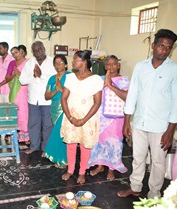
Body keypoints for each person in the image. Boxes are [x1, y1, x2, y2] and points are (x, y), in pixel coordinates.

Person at [117, 29, 177, 198]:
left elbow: (176, 101)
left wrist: (170, 131)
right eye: (161, 46)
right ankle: (135, 188)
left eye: (168, 48)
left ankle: (154, 194)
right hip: (139, 122)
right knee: (138, 157)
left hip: (161, 126)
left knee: (158, 162)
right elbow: (133, 93)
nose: (164, 50)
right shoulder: (140, 66)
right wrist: (126, 121)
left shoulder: (174, 69)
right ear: (153, 45)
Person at [60, 50, 103, 184]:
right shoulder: (70, 77)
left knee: (85, 146)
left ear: (84, 62)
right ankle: (70, 170)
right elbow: (64, 98)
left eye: (75, 59)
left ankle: (82, 172)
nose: (72, 62)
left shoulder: (95, 79)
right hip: (71, 117)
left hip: (88, 119)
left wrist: (84, 119)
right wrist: (70, 117)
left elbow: (97, 102)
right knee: (71, 144)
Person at [87, 55, 130, 181]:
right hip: (100, 116)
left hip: (116, 119)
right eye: (108, 64)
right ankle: (100, 165)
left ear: (118, 65)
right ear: (104, 66)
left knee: (114, 143)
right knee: (99, 141)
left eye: (113, 64)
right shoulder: (99, 79)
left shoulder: (124, 80)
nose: (110, 67)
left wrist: (110, 85)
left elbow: (127, 97)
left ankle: (111, 169)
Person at [19, 41, 55, 156]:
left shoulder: (52, 62)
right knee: (33, 124)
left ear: (44, 49)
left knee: (47, 125)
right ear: (32, 52)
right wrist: (33, 76)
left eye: (39, 49)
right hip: (33, 99)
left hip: (47, 100)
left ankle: (46, 148)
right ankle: (34, 146)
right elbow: (22, 80)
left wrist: (41, 75)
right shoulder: (29, 63)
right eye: (35, 50)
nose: (38, 52)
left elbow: (55, 79)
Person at [44, 54, 71, 168]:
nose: (58, 65)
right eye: (56, 63)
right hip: (54, 108)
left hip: (66, 108)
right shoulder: (51, 78)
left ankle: (63, 160)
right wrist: (57, 90)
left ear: (65, 64)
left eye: (61, 62)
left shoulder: (71, 76)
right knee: (58, 133)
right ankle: (59, 157)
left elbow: (75, 92)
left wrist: (63, 89)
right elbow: (46, 96)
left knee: (62, 133)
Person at [5, 45, 29, 143]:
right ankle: (14, 135)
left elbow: (31, 77)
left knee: (24, 114)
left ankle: (25, 136)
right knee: (15, 113)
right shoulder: (12, 63)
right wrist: (15, 75)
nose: (15, 55)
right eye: (13, 53)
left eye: (16, 52)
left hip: (24, 90)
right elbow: (7, 78)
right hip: (14, 92)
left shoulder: (28, 63)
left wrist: (20, 74)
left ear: (21, 52)